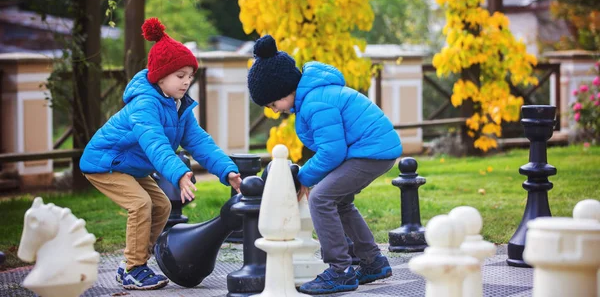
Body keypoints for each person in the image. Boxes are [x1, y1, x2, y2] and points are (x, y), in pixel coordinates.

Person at [80, 17, 242, 291]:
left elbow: (201, 142)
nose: (186, 82)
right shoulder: (145, 104)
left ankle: (133, 263)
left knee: (163, 206)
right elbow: (154, 142)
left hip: (130, 166)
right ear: (160, 76)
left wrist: (228, 171)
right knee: (141, 203)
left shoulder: (178, 107)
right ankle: (134, 268)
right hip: (105, 162)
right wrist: (179, 174)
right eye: (180, 76)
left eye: (190, 76)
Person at [247, 35, 402, 294]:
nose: (274, 111)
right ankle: (372, 261)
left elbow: (332, 152)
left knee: (320, 198)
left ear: (285, 88)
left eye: (273, 104)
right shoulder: (314, 95)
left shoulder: (316, 102)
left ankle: (340, 270)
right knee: (339, 201)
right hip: (372, 149)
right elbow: (333, 149)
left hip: (371, 151)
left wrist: (305, 178)